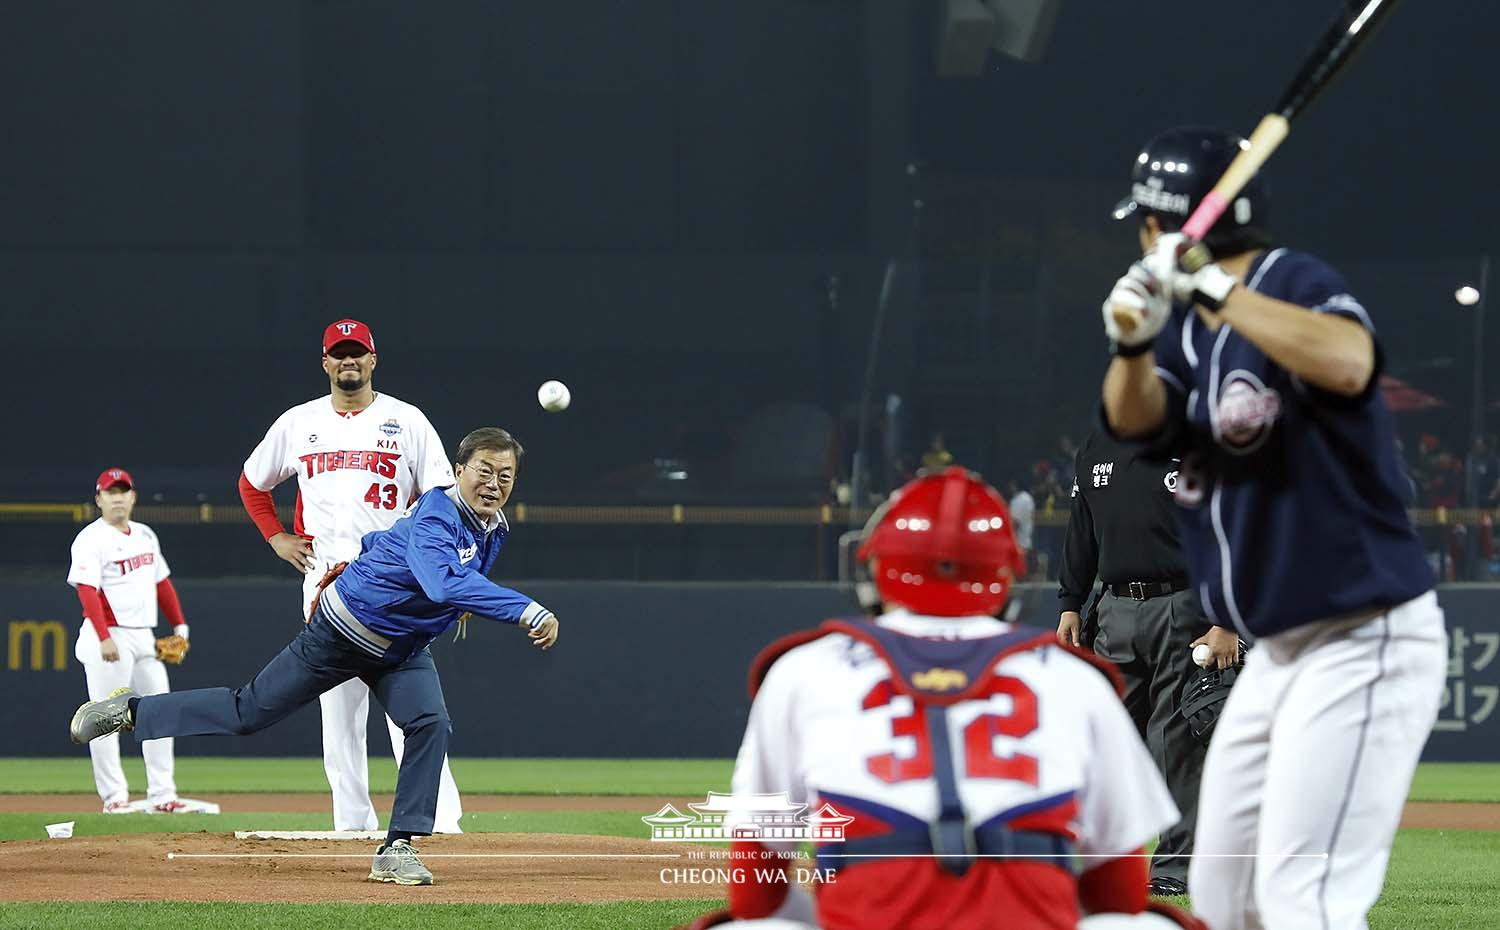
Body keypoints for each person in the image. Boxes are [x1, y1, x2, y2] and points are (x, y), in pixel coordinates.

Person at [1100, 125, 1446, 930]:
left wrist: (1212, 288)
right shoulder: (1181, 328)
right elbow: (1134, 424)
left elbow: (1352, 362)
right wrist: (1131, 344)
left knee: (1303, 901)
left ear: (1165, 225)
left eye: (1144, 223)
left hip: (1362, 637)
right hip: (1276, 653)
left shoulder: (1293, 279)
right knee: (1227, 898)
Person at [676, 467, 1204, 930]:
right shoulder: (1077, 679)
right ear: (1008, 580)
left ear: (873, 572)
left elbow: (755, 892)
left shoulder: (802, 670)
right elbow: (1118, 894)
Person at [71, 428, 560, 885]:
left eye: (505, 475)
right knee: (248, 711)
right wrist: (525, 610)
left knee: (430, 723)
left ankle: (397, 848)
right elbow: (440, 580)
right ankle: (129, 711)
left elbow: (388, 546)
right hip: (343, 631)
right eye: (484, 470)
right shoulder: (438, 513)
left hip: (401, 648)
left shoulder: (491, 528)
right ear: (458, 471)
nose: (494, 483)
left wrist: (429, 587)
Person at [238, 319, 465, 833]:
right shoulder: (298, 422)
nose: (348, 361)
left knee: (412, 711)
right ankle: (351, 825)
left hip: (395, 584)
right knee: (339, 718)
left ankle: (438, 821)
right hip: (326, 584)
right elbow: (253, 483)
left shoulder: (407, 421)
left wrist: (445, 574)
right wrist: (276, 536)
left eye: (356, 352)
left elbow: (443, 502)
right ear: (325, 362)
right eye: (338, 353)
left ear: (373, 359)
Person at [1056, 429, 1240, 897]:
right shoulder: (1096, 445)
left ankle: (1175, 867)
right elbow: (1082, 527)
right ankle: (1103, 861)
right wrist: (1070, 602)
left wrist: (1227, 620)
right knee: (1105, 739)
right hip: (1113, 607)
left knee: (1174, 738)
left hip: (1182, 604)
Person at [67, 467, 192, 814]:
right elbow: (87, 591)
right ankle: (114, 798)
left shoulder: (145, 535)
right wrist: (104, 636)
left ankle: (163, 794)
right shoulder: (91, 539)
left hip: (143, 636)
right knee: (106, 719)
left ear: (133, 497)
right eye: (111, 491)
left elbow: (162, 584)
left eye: (123, 491)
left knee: (159, 712)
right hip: (107, 635)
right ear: (99, 499)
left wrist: (180, 626)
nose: (117, 497)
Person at [1007, 478, 1036, 574]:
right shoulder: (1028, 498)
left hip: (1019, 541)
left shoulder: (1018, 499)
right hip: (1027, 536)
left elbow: (1015, 522)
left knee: (1019, 574)